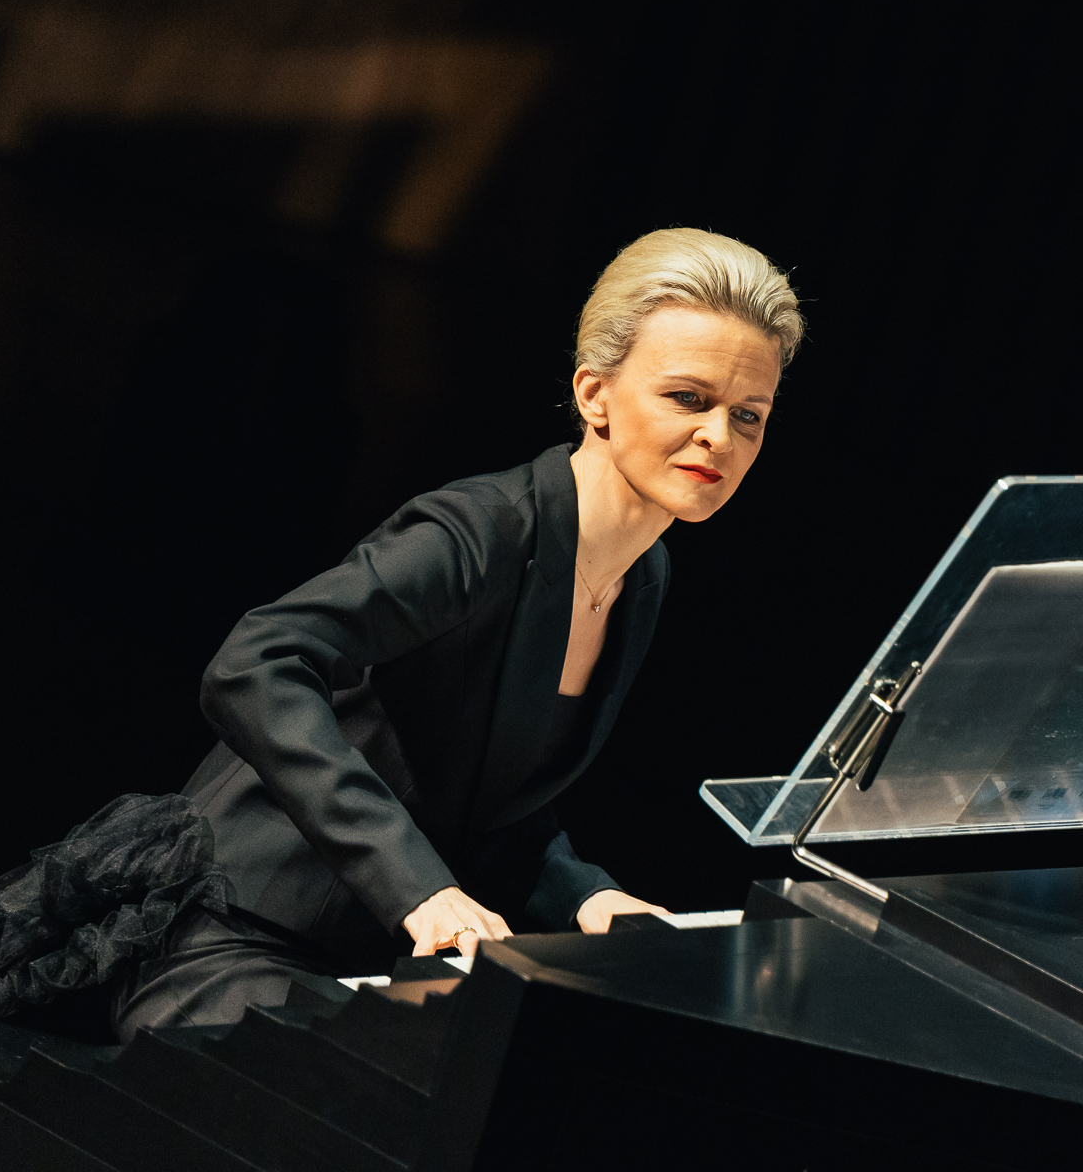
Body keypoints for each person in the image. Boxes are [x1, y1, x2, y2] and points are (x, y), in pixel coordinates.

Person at [113, 228, 804, 1037]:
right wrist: (418, 888)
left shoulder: (644, 575)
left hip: (374, 957)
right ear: (595, 396)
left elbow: (491, 802)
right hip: (234, 934)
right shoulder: (479, 533)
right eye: (688, 398)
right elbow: (254, 663)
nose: (721, 436)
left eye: (749, 415)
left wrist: (590, 898)